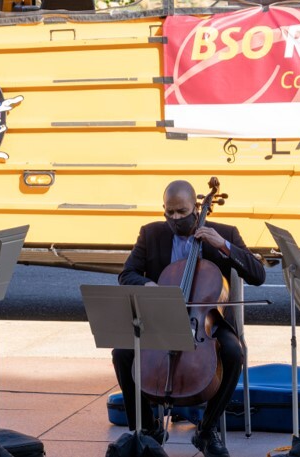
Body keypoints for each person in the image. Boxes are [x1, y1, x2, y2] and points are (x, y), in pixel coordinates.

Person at [112, 180, 266, 457]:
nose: (174, 219)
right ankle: (146, 428)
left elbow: (258, 274)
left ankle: (207, 430)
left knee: (233, 353)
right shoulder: (151, 234)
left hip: (207, 323)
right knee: (122, 353)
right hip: (162, 319)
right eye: (169, 212)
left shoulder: (224, 233)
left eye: (181, 212)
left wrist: (224, 246)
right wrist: (151, 288)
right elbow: (127, 274)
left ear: (196, 208)